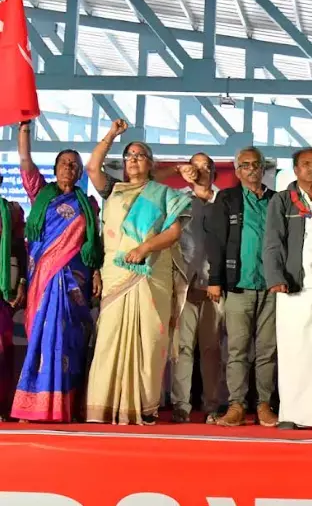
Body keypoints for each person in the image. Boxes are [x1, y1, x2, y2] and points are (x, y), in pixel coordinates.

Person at [84, 122, 192, 425]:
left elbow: (173, 232)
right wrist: (111, 135)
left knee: (150, 340)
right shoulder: (113, 190)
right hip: (117, 274)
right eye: (129, 155)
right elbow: (92, 168)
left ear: (151, 164)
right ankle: (104, 405)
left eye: (140, 155)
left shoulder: (164, 194)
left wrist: (145, 248)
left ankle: (144, 405)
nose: (133, 159)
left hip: (151, 274)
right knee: (109, 338)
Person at [10, 120, 101, 423]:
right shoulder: (41, 194)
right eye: (64, 163)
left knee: (69, 340)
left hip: (75, 284)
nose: (69, 168)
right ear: (55, 168)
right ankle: (33, 406)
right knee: (42, 337)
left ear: (80, 172)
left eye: (74, 165)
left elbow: (93, 243)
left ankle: (66, 406)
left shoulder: (88, 204)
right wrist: (24, 128)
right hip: (43, 280)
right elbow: (25, 160)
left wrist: (96, 272)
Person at [264, 148, 312, 431]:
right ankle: (293, 415)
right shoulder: (282, 200)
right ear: (296, 169)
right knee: (293, 352)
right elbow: (272, 241)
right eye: (306, 164)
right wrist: (275, 277)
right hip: (292, 286)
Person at [207, 147, 279, 428]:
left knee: (267, 350)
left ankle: (264, 405)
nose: (251, 169)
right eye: (245, 165)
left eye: (256, 164)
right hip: (238, 285)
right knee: (237, 349)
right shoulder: (227, 198)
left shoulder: (276, 200)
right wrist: (215, 280)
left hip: (272, 287)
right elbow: (216, 241)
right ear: (237, 171)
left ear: (263, 169)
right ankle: (236, 405)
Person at [169, 153, 225, 424]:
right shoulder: (178, 199)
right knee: (182, 348)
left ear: (214, 173)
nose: (202, 171)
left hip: (216, 285)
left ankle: (212, 405)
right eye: (196, 167)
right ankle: (181, 405)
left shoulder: (225, 201)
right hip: (184, 284)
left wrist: (217, 280)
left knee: (212, 348)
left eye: (207, 167)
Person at [0, 163, 27, 421]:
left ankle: (2, 405)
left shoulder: (11, 211)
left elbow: (20, 248)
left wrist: (21, 282)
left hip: (3, 288)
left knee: (3, 345)